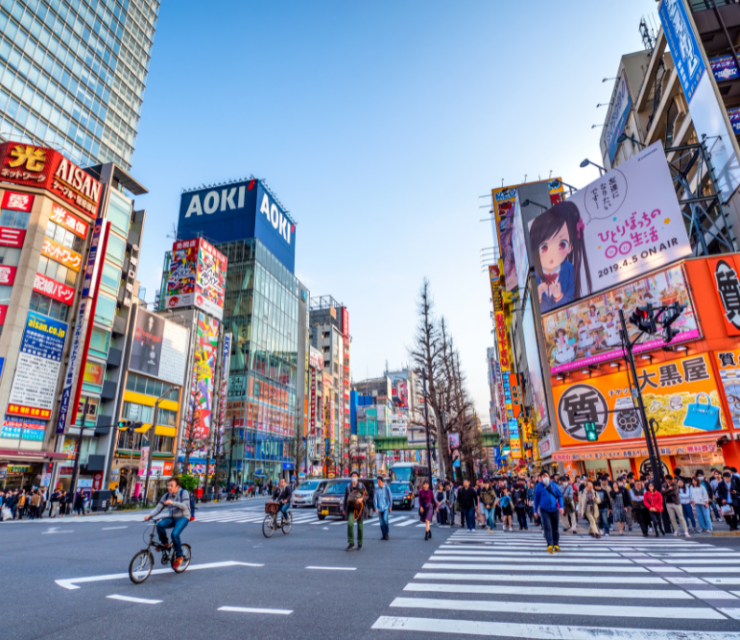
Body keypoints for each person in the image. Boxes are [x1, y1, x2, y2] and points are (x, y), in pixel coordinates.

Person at [144, 477, 191, 570]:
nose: (169, 487)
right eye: (168, 485)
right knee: (160, 524)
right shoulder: (166, 495)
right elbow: (158, 508)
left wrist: (172, 503)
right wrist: (150, 516)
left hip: (183, 517)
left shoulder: (183, 493)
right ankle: (165, 543)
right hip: (172, 517)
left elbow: (185, 505)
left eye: (171, 486)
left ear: (177, 487)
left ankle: (180, 555)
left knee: (175, 534)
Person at [533, 471, 564, 553]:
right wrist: (535, 510)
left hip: (555, 509)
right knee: (547, 526)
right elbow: (536, 499)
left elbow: (560, 496)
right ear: (540, 478)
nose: (545, 477)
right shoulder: (538, 486)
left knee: (555, 527)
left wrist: (561, 506)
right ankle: (550, 544)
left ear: (549, 477)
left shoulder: (554, 485)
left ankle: (556, 543)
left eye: (546, 475)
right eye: (543, 476)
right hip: (544, 509)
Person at [343, 472, 367, 551]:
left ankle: (360, 543)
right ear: (351, 478)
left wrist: (361, 499)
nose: (354, 477)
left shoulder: (361, 485)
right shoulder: (348, 487)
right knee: (350, 524)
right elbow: (345, 497)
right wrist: (344, 509)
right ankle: (351, 543)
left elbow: (366, 495)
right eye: (352, 476)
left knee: (360, 526)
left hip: (360, 507)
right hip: (351, 507)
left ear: (357, 477)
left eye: (355, 476)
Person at [374, 476, 392, 541]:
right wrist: (375, 507)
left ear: (383, 482)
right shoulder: (376, 489)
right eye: (377, 482)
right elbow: (375, 498)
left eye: (379, 482)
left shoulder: (386, 488)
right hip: (379, 507)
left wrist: (390, 506)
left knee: (385, 519)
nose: (378, 483)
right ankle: (383, 534)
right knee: (381, 522)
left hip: (386, 507)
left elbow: (390, 497)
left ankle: (386, 533)